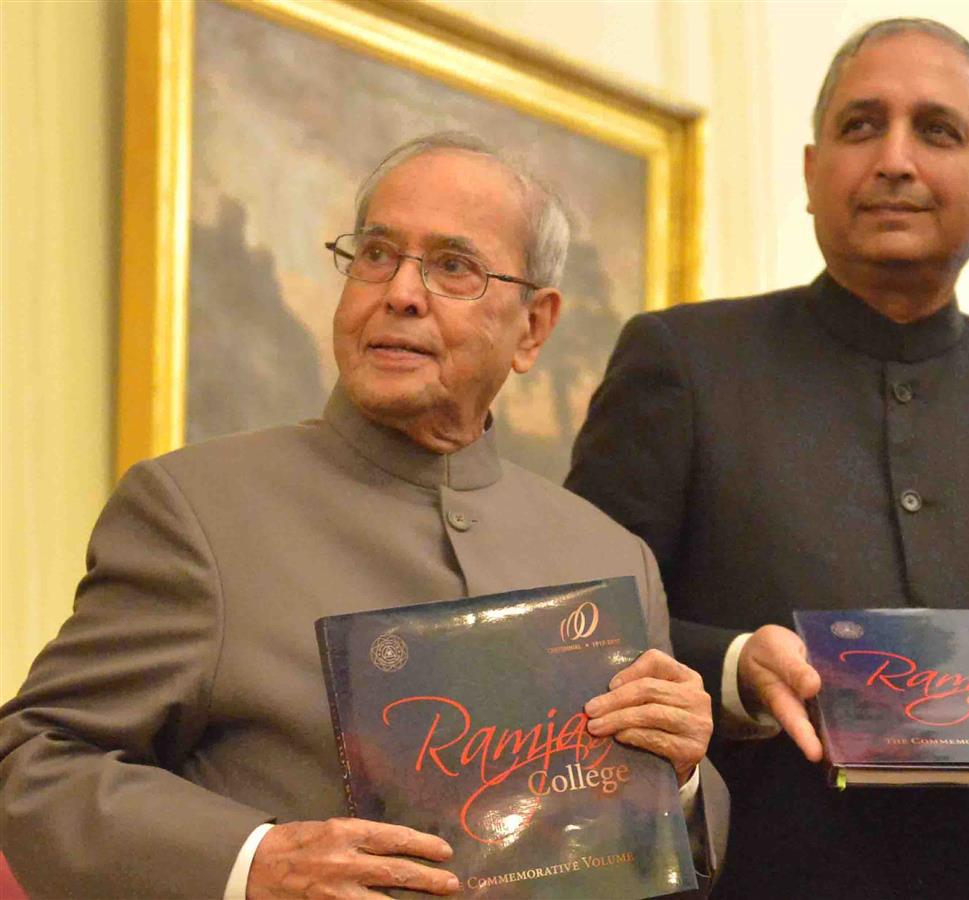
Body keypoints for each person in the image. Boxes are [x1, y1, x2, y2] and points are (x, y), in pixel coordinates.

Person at [0, 133, 726, 899]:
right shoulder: (196, 510)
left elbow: (666, 858)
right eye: (377, 253)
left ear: (534, 328)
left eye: (453, 266)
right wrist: (252, 863)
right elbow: (34, 760)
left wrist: (677, 779)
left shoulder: (609, 555)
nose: (401, 292)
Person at [565, 17, 969, 899]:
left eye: (938, 130)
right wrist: (733, 672)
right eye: (859, 126)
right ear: (810, 174)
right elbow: (580, 628)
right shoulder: (683, 364)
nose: (894, 159)